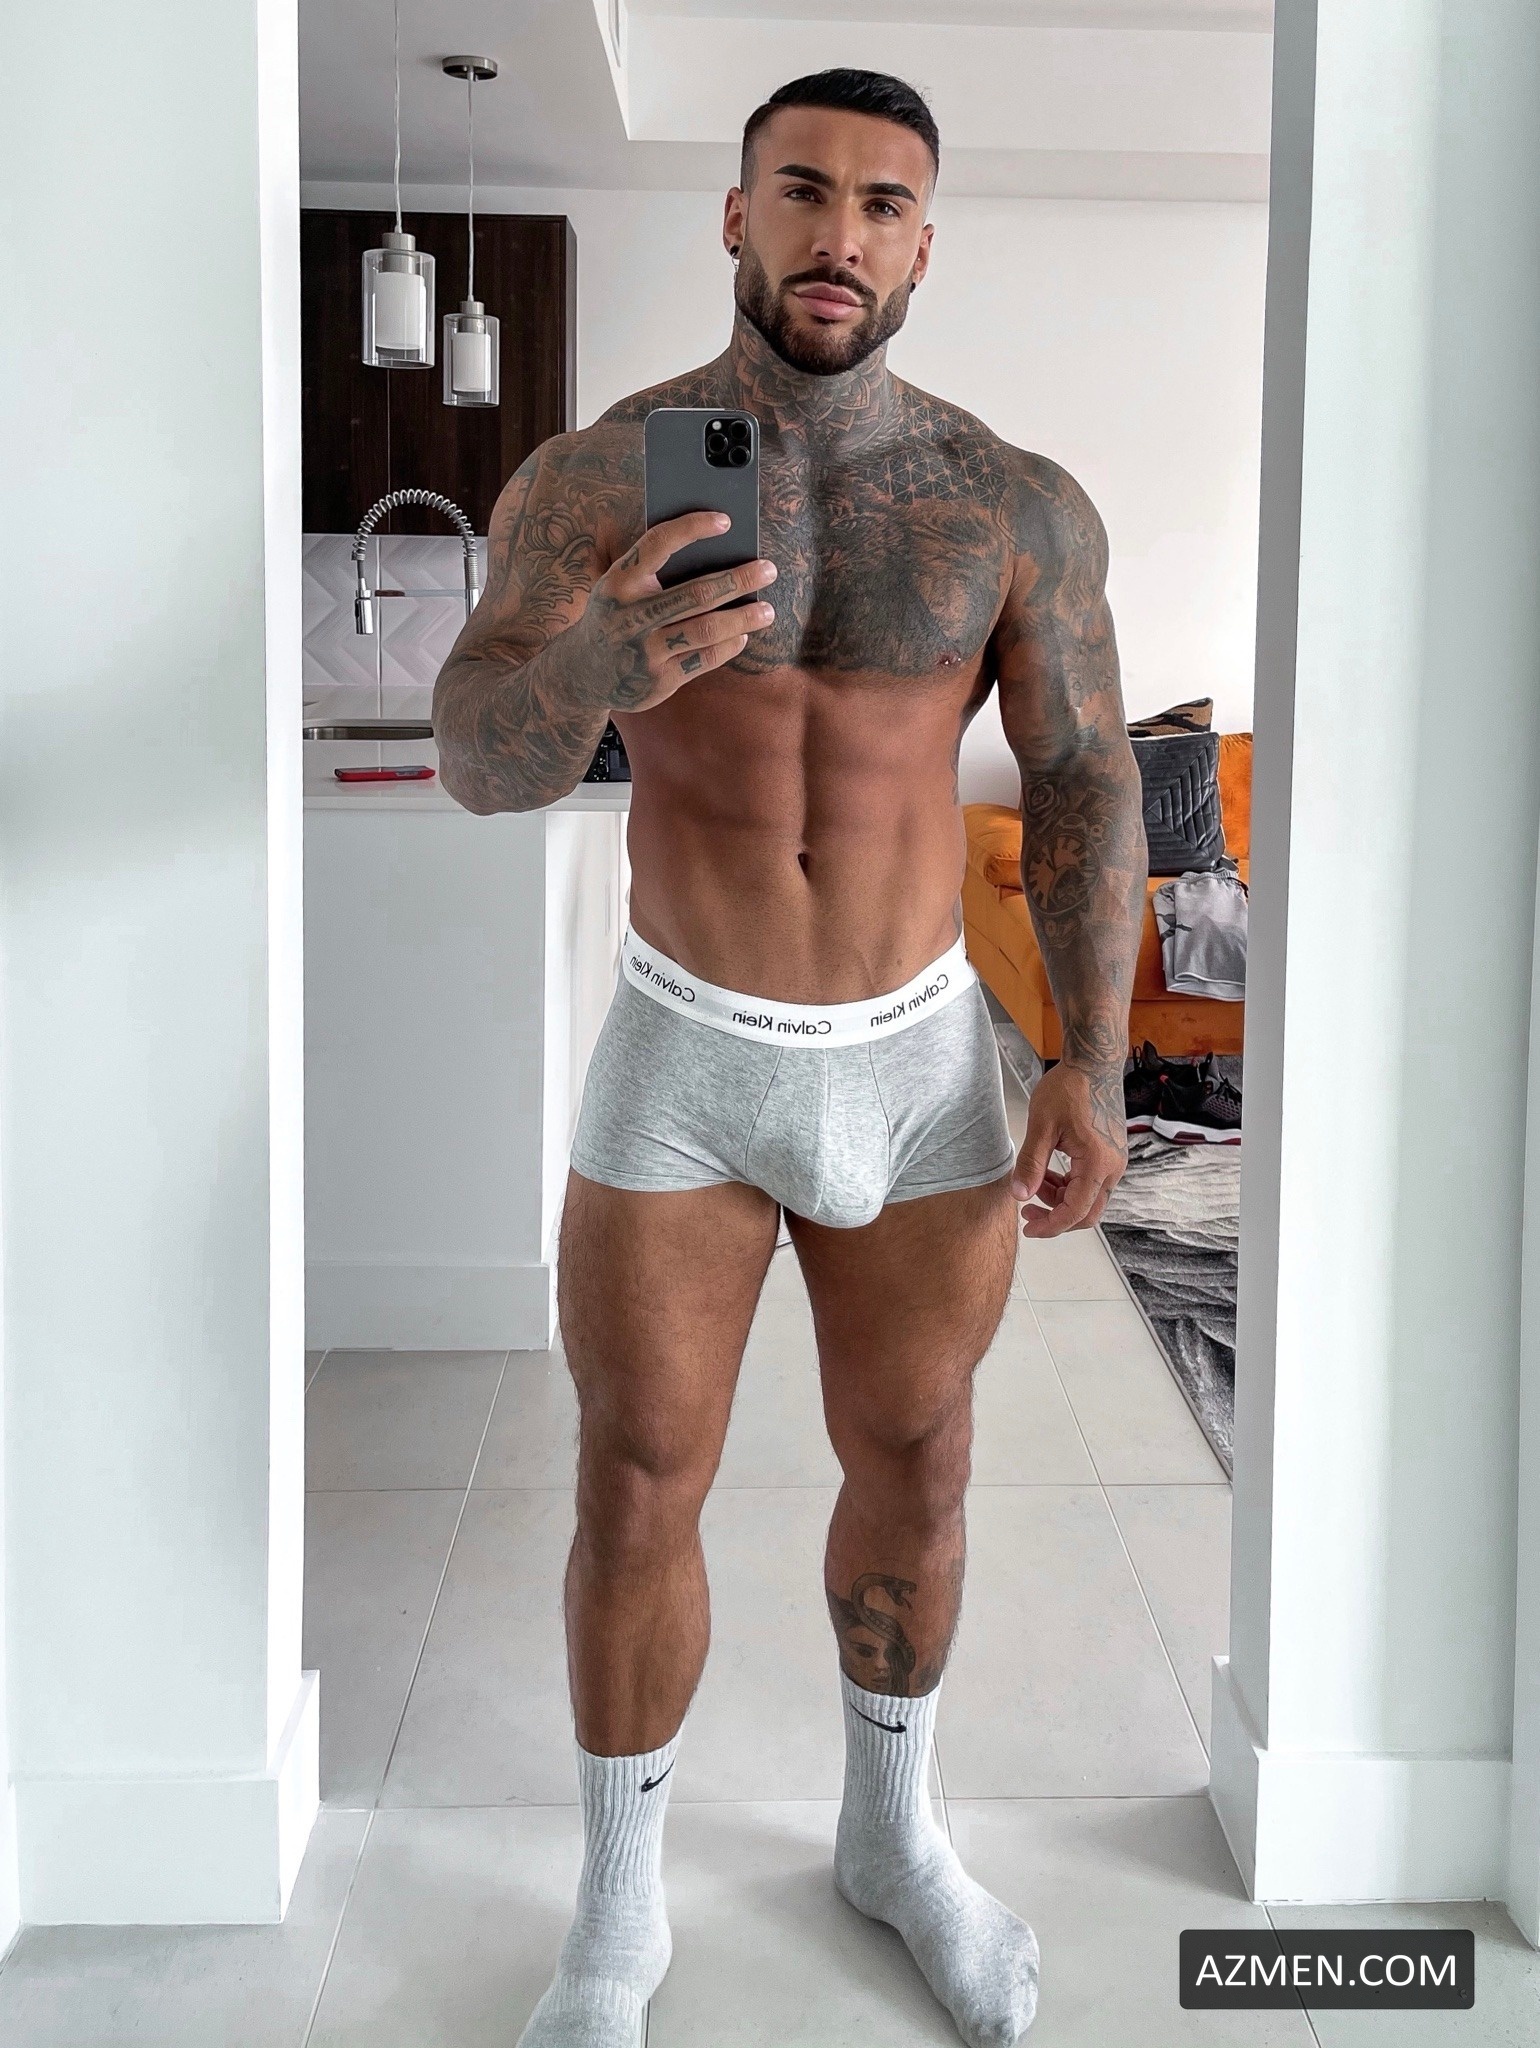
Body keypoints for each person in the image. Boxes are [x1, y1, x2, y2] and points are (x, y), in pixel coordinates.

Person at [433, 66, 1146, 2048]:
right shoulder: (596, 477)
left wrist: (1090, 1058)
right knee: (634, 1477)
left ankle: (893, 1843)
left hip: (918, 1065)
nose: (841, 235)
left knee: (918, 1459)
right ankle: (616, 1916)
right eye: (804, 191)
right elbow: (478, 759)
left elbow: (1086, 775)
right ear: (736, 217)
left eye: (883, 204)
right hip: (688, 1050)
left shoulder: (1012, 501)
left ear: (924, 244)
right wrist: (593, 667)